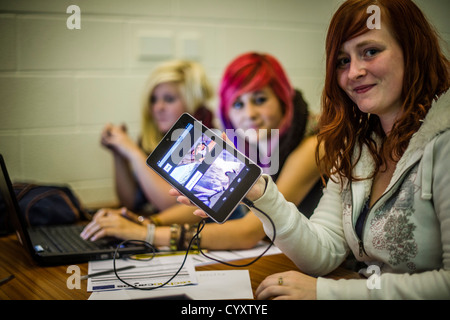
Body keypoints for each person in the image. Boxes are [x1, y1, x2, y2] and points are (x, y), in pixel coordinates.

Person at [175, 0, 450, 299]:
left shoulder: (443, 140)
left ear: (412, 51)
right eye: (343, 61)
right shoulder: (358, 147)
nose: (354, 71)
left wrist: (329, 292)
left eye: (370, 51)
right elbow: (324, 251)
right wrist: (260, 193)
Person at [82, 52, 323, 251]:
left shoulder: (313, 146)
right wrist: (149, 221)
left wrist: (148, 233)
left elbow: (249, 232)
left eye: (260, 100)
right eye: (238, 104)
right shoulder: (254, 143)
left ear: (282, 100)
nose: (249, 114)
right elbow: (229, 206)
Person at [80, 60, 215, 241]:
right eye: (153, 99)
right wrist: (118, 154)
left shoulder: (210, 140)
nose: (158, 107)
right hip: (168, 232)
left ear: (192, 100)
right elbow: (131, 201)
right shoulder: (155, 141)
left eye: (169, 99)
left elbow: (172, 204)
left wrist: (133, 152)